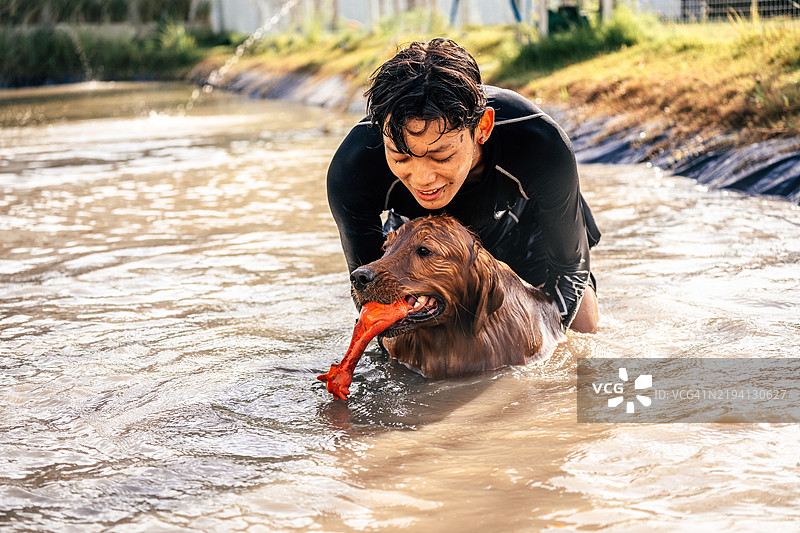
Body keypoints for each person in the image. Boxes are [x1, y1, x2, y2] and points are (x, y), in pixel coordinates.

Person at [326, 38, 600, 333]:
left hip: (525, 228)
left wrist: (544, 346)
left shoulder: (538, 141)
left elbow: (570, 269)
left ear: (482, 128)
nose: (422, 179)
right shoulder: (354, 168)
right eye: (401, 157)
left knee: (581, 328)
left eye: (441, 155)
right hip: (421, 247)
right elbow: (370, 292)